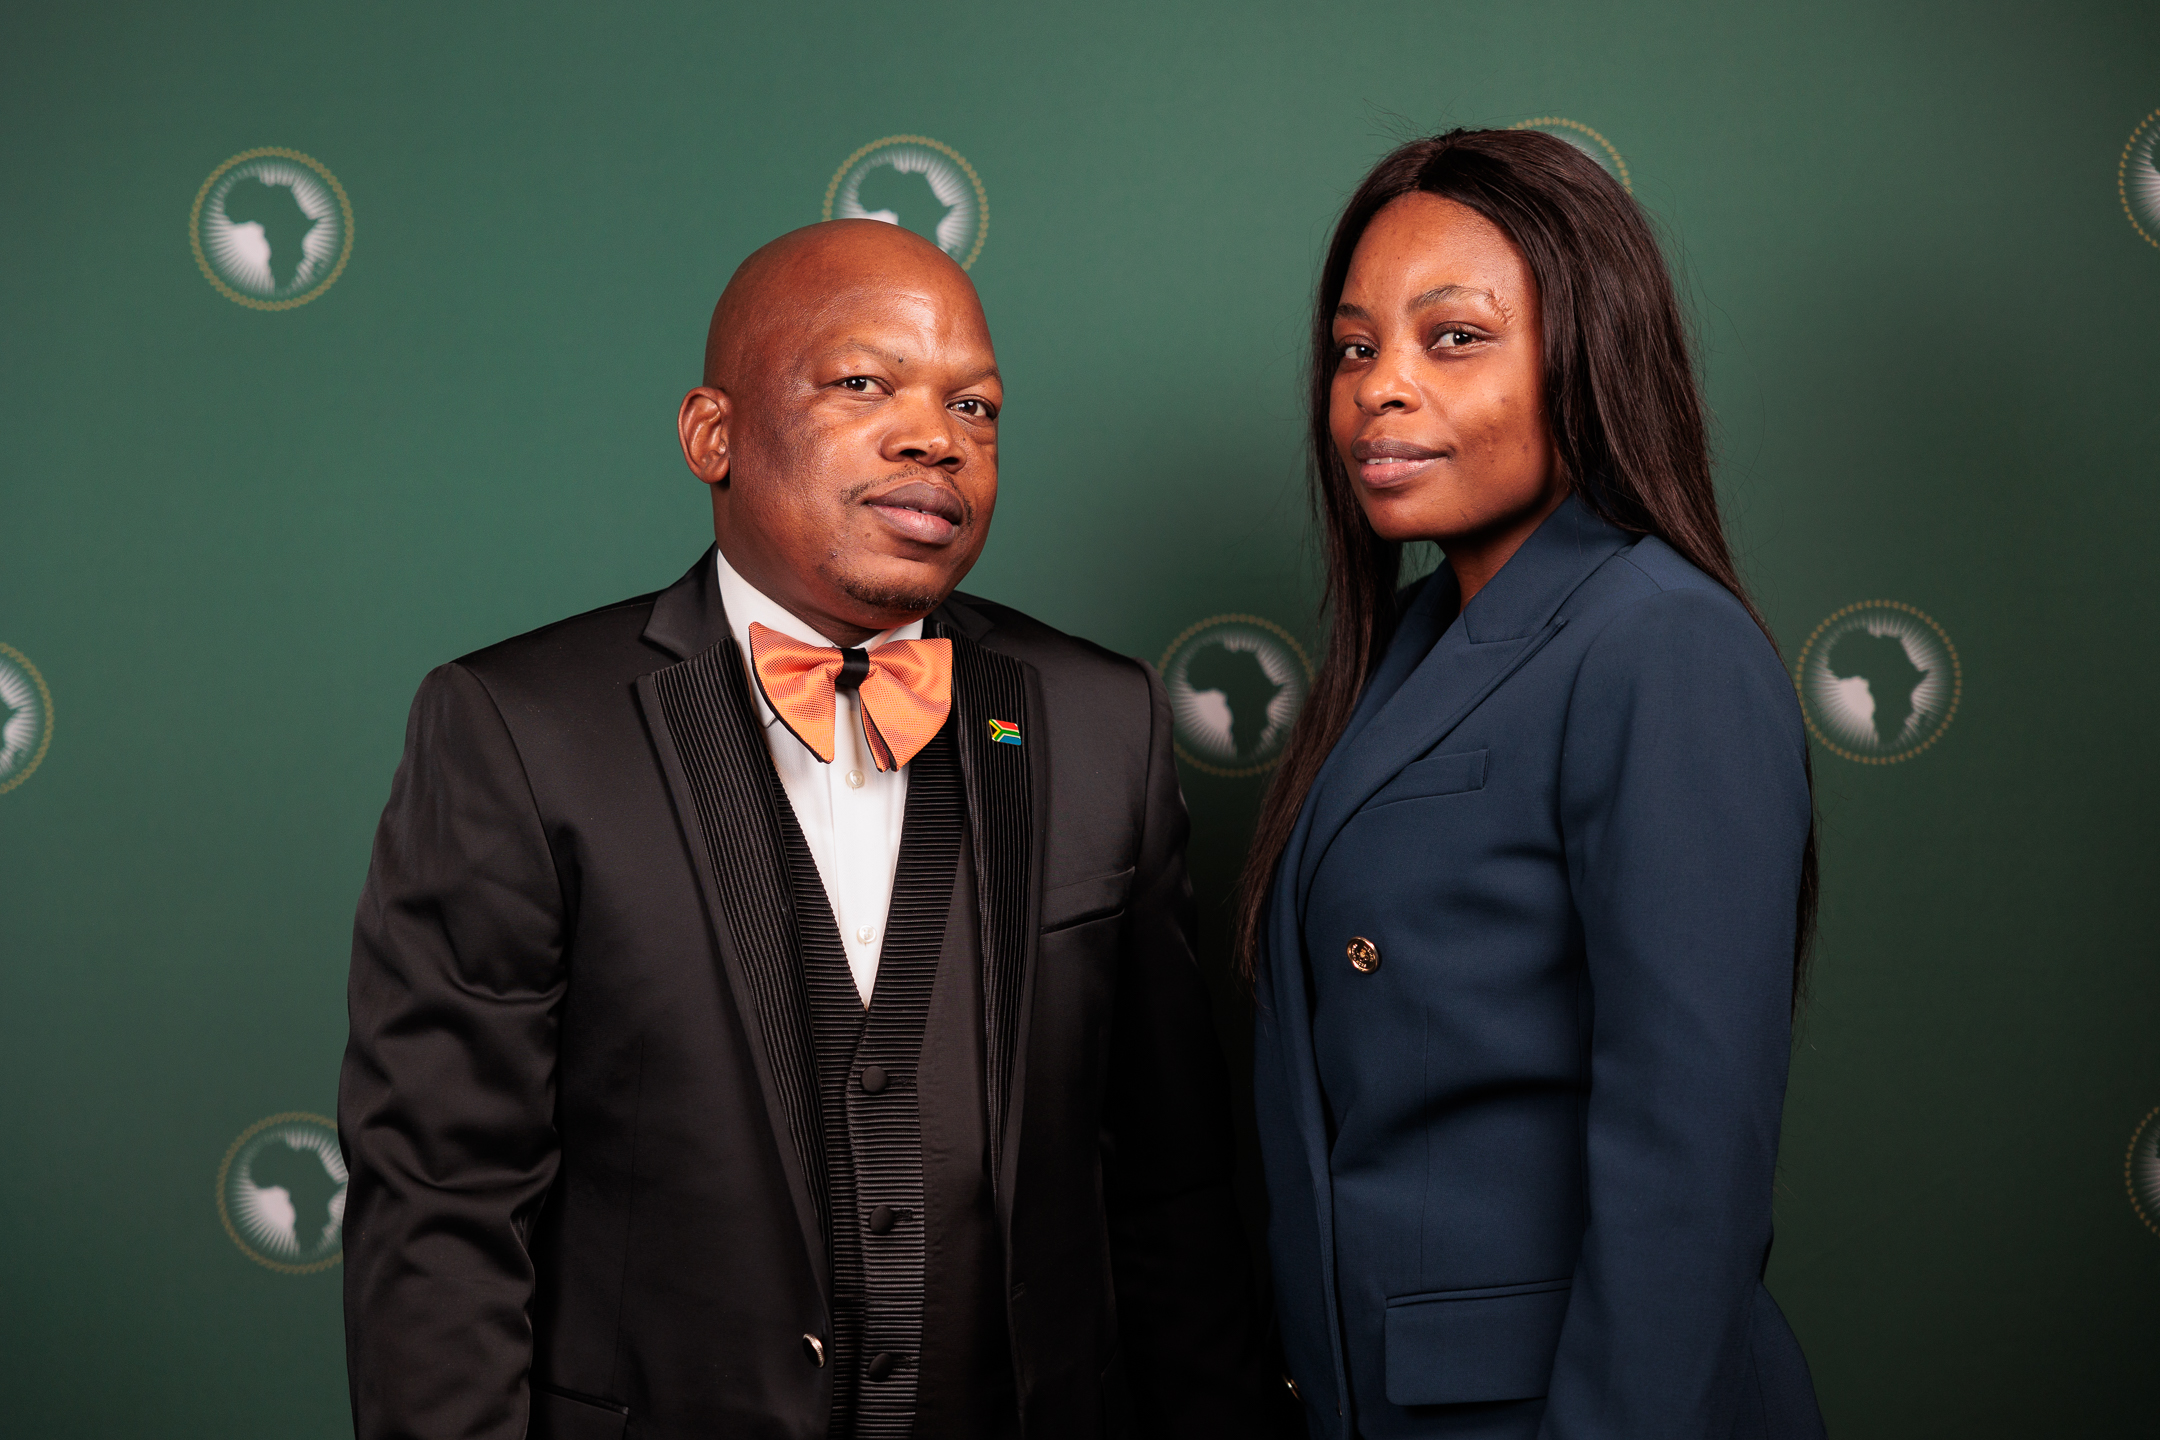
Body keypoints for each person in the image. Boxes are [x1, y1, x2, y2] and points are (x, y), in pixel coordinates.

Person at [340, 219, 1293, 1440]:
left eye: (977, 407)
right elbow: (442, 1203)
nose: (937, 437)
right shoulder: (520, 729)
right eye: (862, 384)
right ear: (713, 436)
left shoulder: (1103, 721)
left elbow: (1172, 1193)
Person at [1240, 130, 1825, 1438]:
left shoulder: (1662, 643)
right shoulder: (1411, 641)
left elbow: (1688, 1163)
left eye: (1454, 338)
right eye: (1353, 348)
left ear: (1590, 355)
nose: (1382, 389)